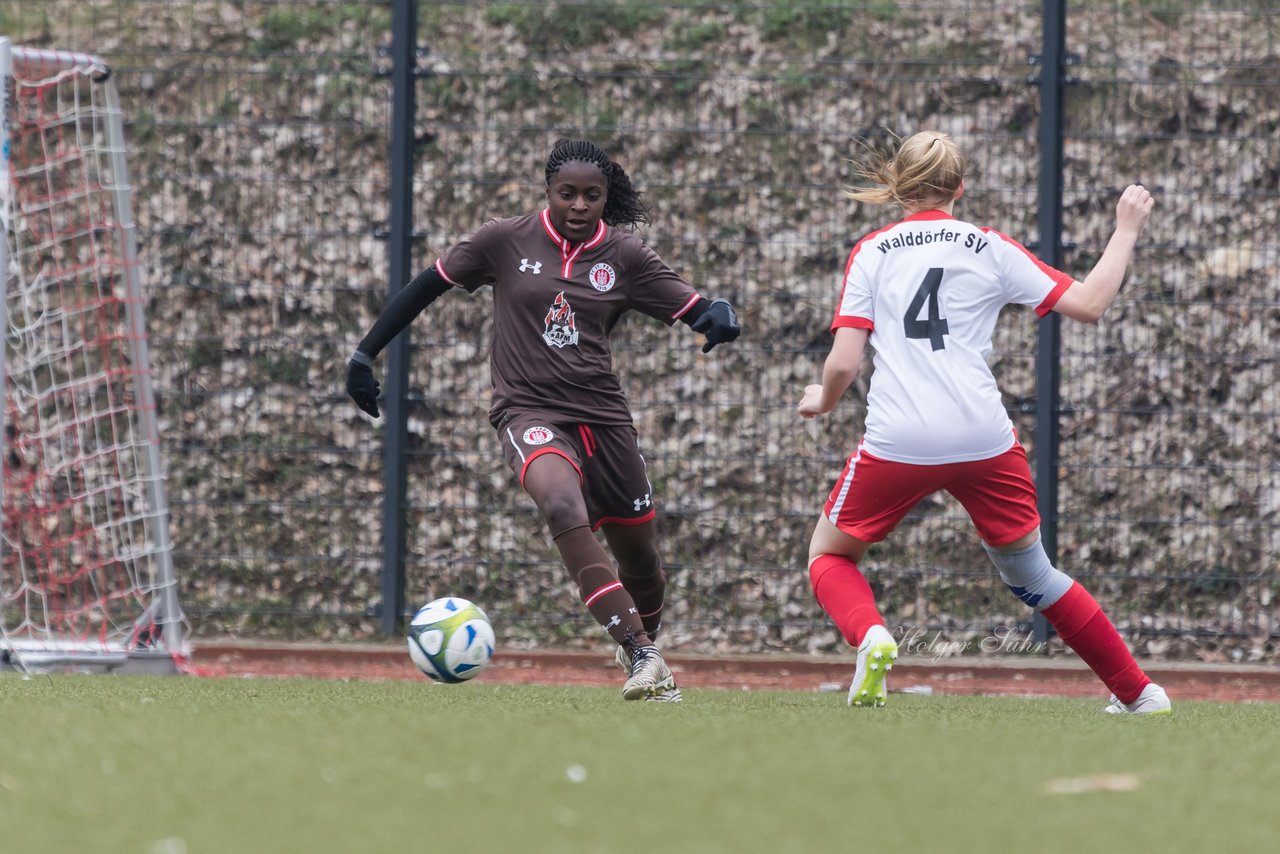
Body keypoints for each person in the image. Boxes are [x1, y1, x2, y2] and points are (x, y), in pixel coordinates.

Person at [347, 138, 741, 702]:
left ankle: (644, 652)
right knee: (559, 501)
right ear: (547, 191)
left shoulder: (625, 256)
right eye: (567, 194)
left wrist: (717, 318)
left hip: (603, 418)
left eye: (592, 196)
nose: (579, 206)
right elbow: (424, 287)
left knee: (643, 561)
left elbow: (694, 308)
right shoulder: (503, 241)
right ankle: (642, 651)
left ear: (606, 198)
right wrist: (365, 354)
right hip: (527, 411)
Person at [798, 130, 1169, 715]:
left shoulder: (873, 250)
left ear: (897, 188)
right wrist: (1125, 230)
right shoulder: (988, 247)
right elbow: (1091, 304)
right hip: (983, 440)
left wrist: (822, 400)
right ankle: (1141, 694)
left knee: (830, 556)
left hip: (900, 440)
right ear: (961, 187)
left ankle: (871, 636)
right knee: (1037, 578)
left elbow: (845, 360)